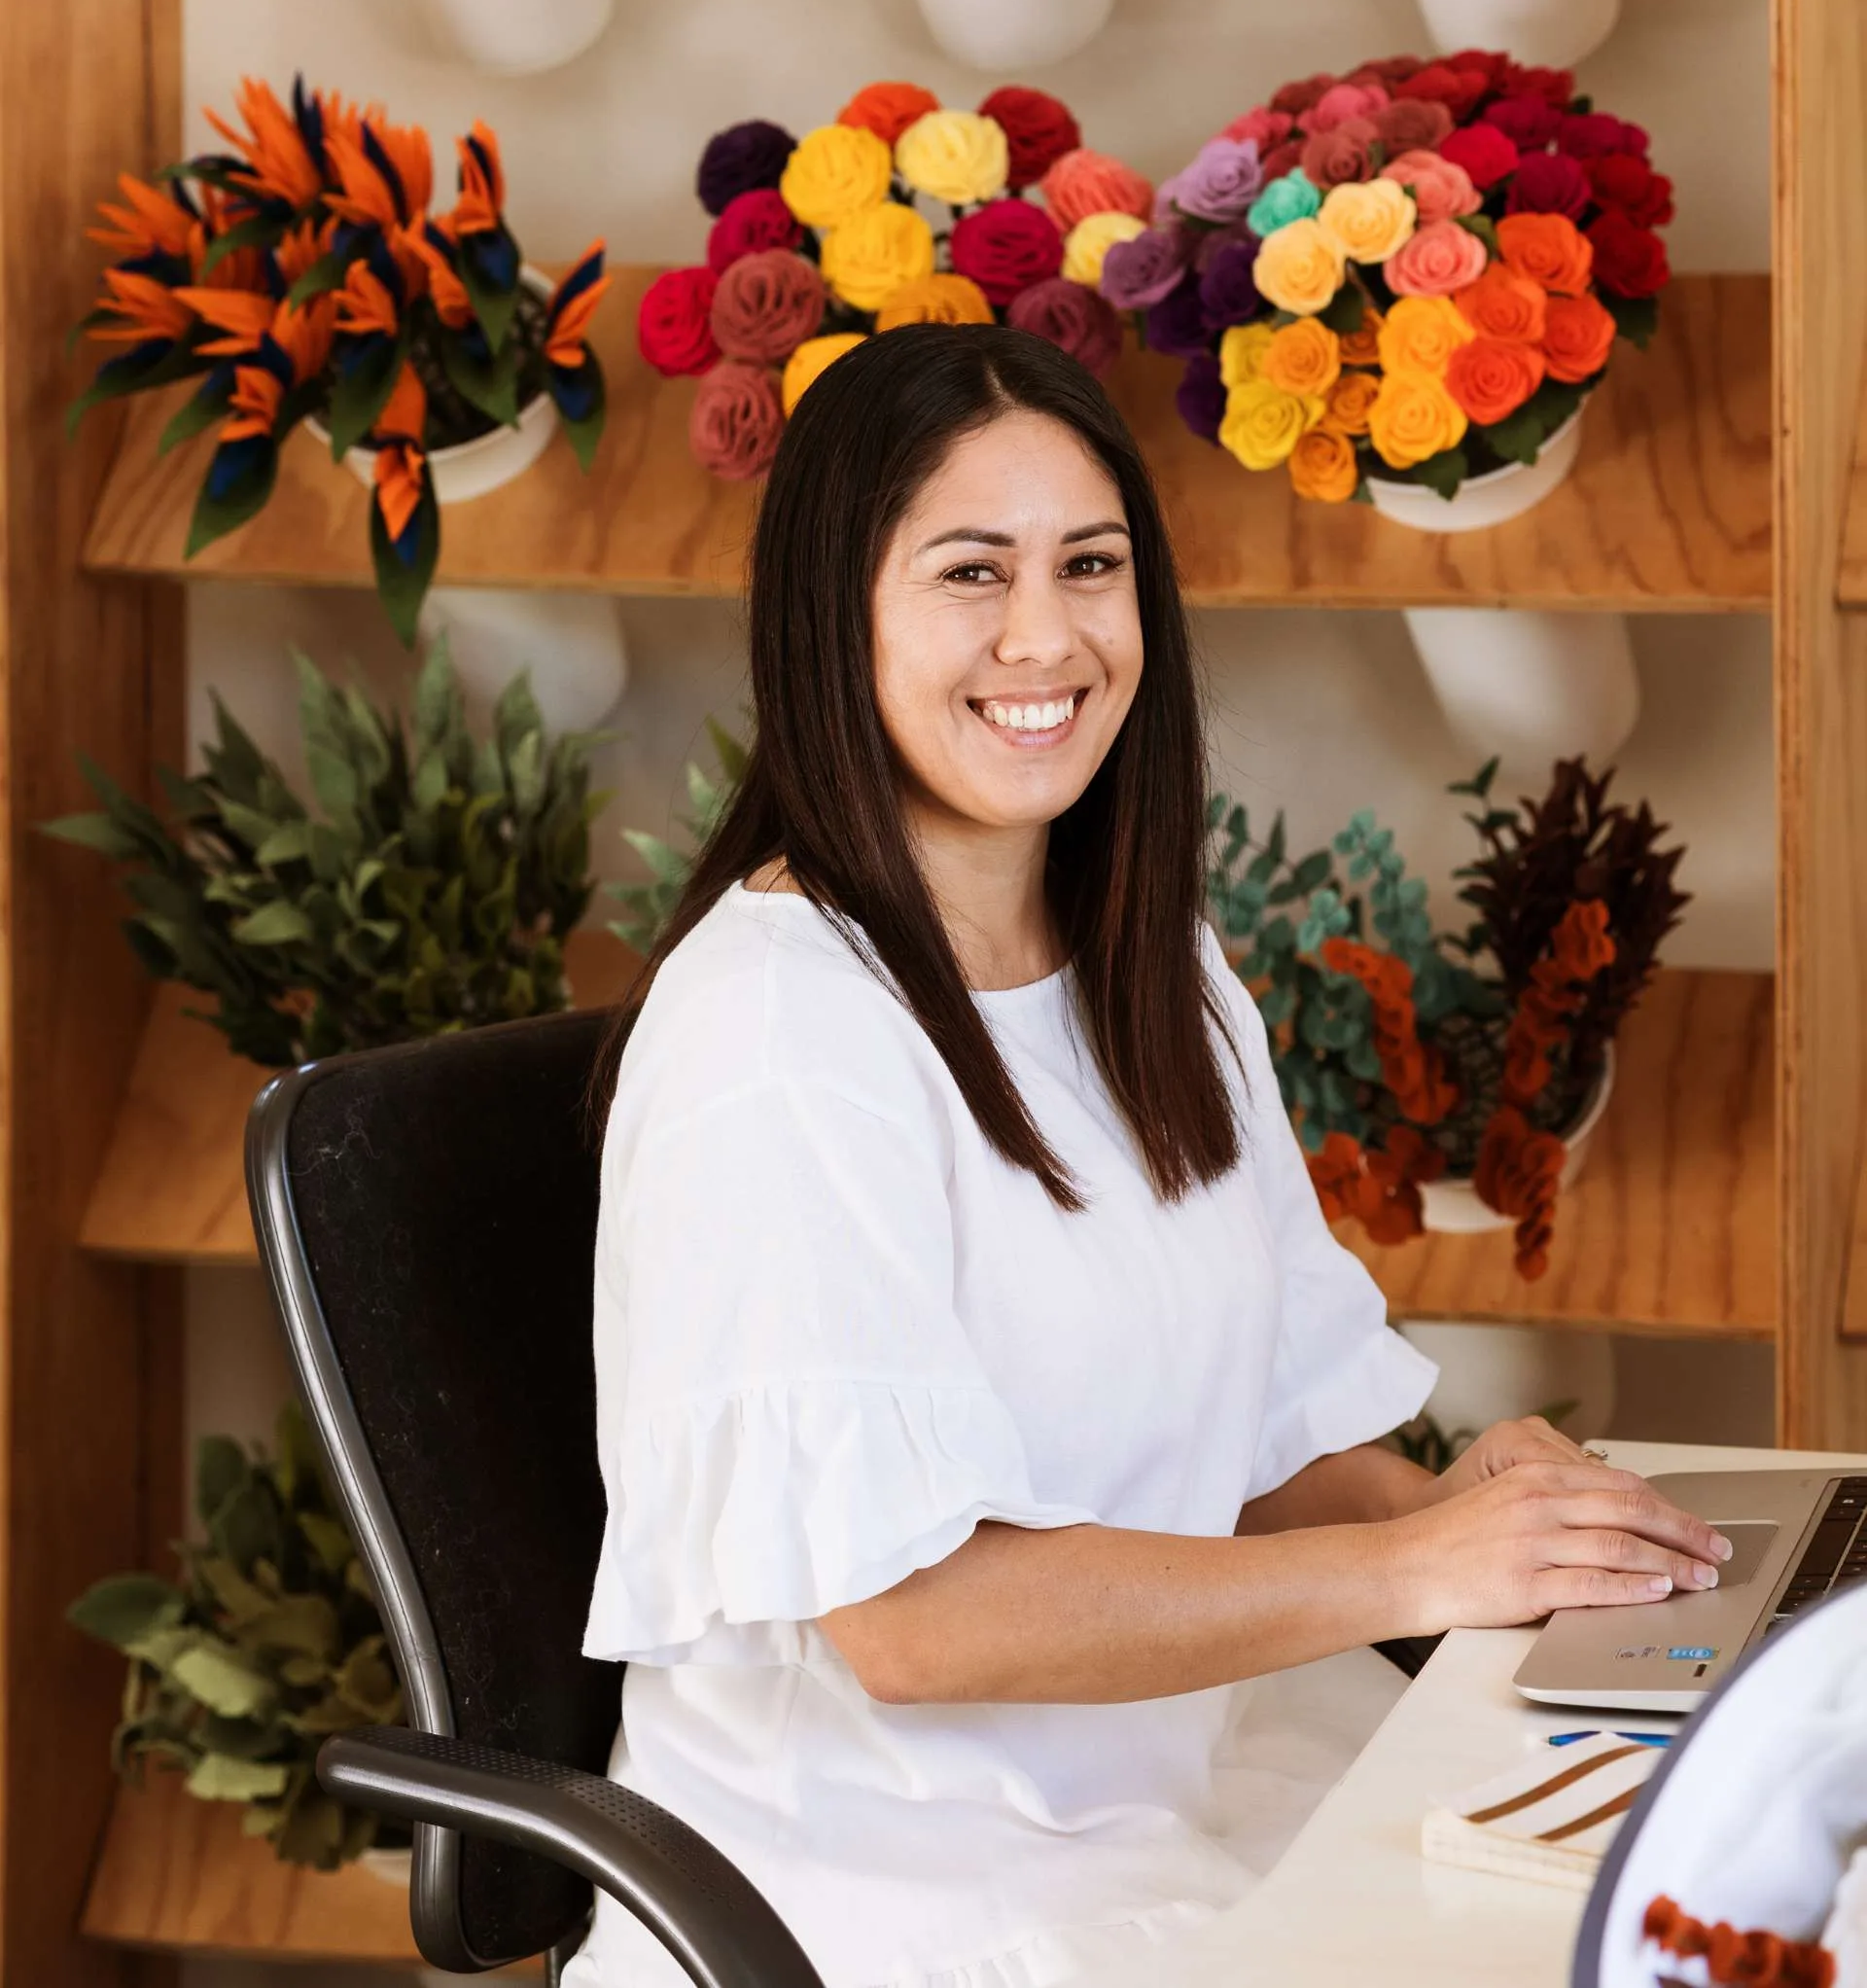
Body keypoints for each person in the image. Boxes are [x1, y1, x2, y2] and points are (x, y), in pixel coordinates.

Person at [566, 324, 1729, 1988]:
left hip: (1173, 1795)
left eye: (1089, 565)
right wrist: (1409, 1566)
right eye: (973, 571)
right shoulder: (780, 1033)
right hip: (893, 1900)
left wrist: (1517, 1549)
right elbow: (909, 1622)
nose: (1046, 637)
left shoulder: (1152, 969)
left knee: (1728, 1879)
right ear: (837, 616)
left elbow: (1267, 1451)